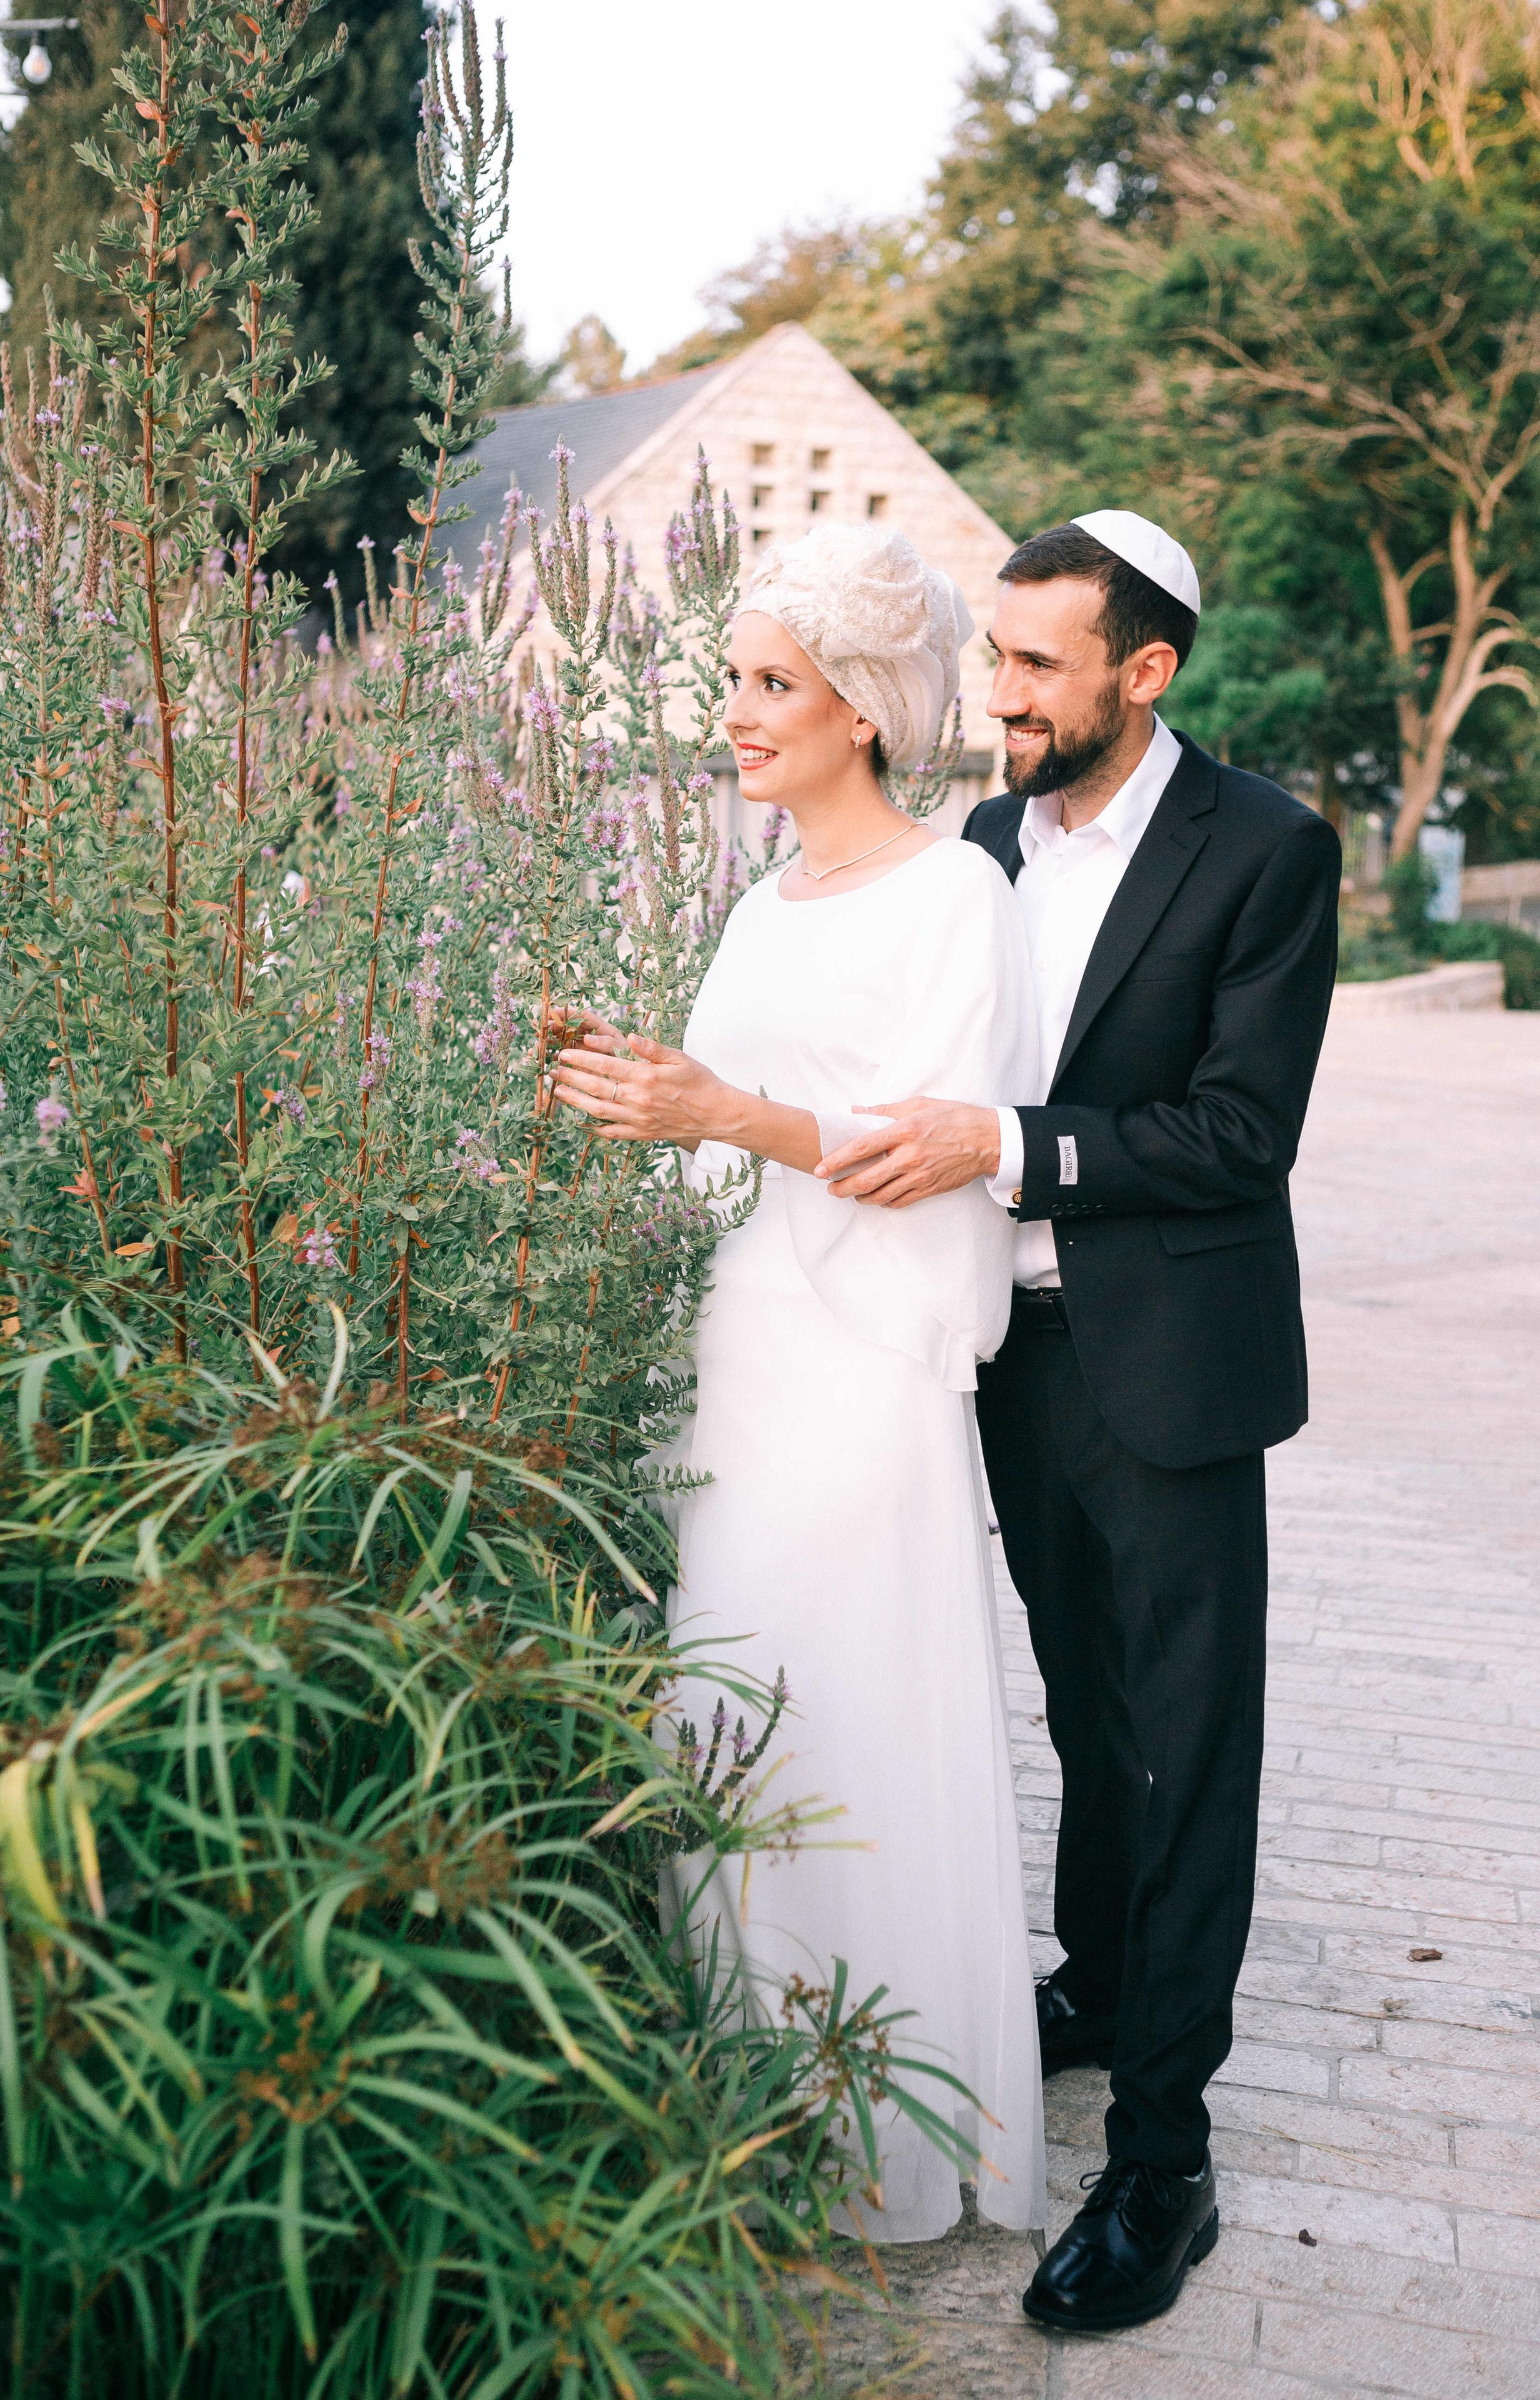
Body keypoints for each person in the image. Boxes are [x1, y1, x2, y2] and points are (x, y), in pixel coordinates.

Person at [817, 512, 1342, 2330]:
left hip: (1177, 1371)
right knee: (1084, 1700)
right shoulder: (970, 844)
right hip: (1017, 1365)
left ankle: (1165, 2157)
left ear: (1146, 673)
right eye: (997, 656)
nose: (1000, 696)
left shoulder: (1268, 847)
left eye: (1037, 665)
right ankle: (1102, 1987)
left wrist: (1011, 1153)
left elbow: (1238, 1134)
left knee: (1190, 1743)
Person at [551, 519, 1047, 2242]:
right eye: (739, 680)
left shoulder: (957, 896)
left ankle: (878, 2129)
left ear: (862, 707)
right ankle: (743, 2096)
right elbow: (717, 1133)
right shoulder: (765, 898)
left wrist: (735, 1117)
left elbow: (936, 1150)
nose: (739, 711)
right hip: (737, 1351)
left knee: (842, 1708)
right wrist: (633, 1088)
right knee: (730, 1702)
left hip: (861, 1373)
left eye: (772, 684)